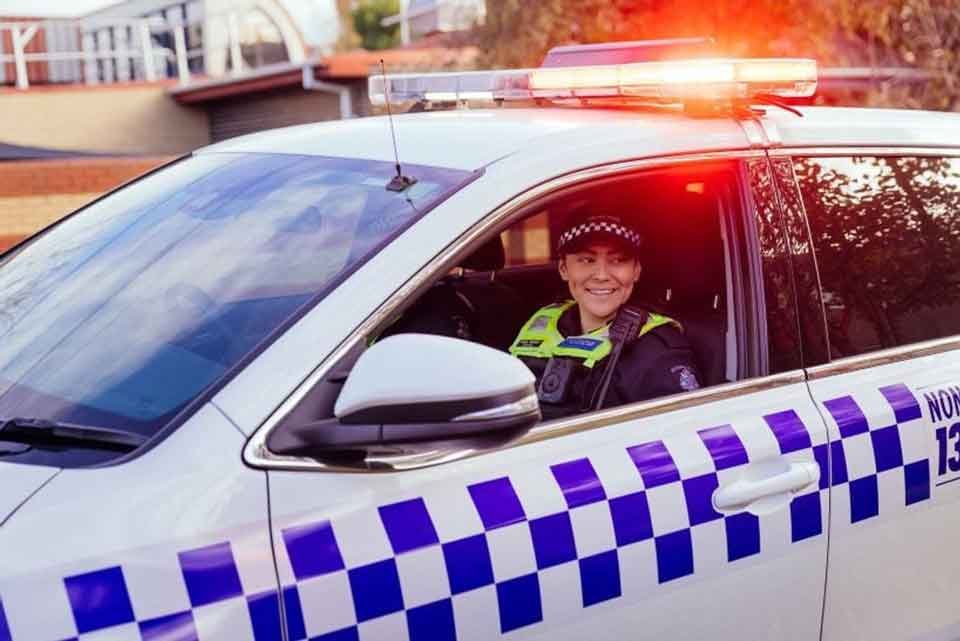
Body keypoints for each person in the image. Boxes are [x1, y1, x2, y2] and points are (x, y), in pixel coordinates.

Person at [509, 212, 701, 419]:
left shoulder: (657, 351)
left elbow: (679, 429)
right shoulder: (543, 320)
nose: (601, 275)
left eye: (618, 260)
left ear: (636, 271)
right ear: (563, 268)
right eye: (587, 260)